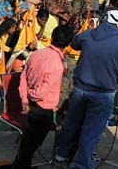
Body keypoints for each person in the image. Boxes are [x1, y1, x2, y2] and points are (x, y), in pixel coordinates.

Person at [54, 11, 118, 169]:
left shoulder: (88, 34)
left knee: (72, 122)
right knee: (91, 130)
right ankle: (81, 164)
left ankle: (62, 153)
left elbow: (74, 44)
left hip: (80, 88)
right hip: (103, 93)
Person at [13, 25, 73, 169]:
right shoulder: (57, 65)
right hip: (42, 109)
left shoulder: (36, 54)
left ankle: (20, 165)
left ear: (52, 37)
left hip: (31, 105)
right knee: (32, 145)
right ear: (67, 44)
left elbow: (23, 78)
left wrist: (25, 98)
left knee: (27, 142)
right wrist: (29, 96)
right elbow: (41, 93)